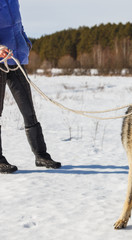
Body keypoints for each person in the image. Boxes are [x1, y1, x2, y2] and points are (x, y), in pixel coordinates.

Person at [0, 0, 61, 173]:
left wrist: (25, 43)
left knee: (28, 110)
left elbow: (18, 25)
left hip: (16, 60)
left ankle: (41, 155)